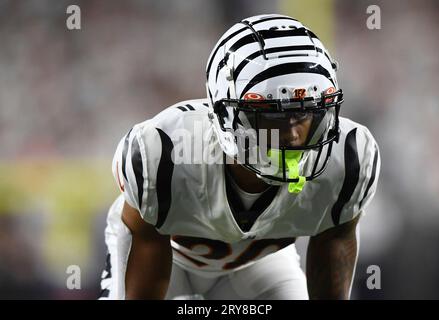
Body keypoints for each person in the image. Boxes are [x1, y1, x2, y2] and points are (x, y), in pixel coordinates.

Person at [99, 14, 380, 300]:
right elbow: (146, 253)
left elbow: (333, 241)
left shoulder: (347, 160)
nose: (293, 136)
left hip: (259, 267)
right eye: (273, 115)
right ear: (226, 115)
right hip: (171, 262)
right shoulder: (164, 154)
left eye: (305, 112)